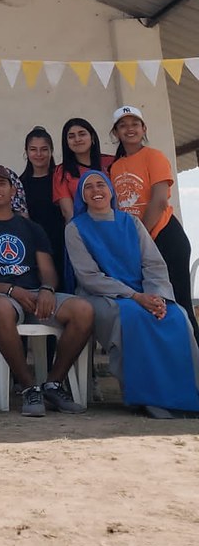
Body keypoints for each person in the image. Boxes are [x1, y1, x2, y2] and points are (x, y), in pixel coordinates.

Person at [0, 163, 94, 417]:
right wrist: (11, 290)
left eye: (2, 183)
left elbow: (48, 271)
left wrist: (46, 288)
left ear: (13, 189)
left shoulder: (31, 227)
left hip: (35, 295)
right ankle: (28, 386)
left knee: (84, 310)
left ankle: (53, 383)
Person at [65, 170, 199, 415]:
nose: (96, 191)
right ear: (82, 196)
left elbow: (153, 264)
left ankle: (186, 393)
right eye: (89, 187)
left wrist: (157, 296)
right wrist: (135, 297)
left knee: (176, 316)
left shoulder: (132, 223)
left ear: (110, 190)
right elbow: (89, 276)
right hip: (102, 297)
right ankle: (147, 397)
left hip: (145, 293)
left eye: (101, 185)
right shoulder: (75, 228)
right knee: (132, 317)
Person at [109, 105, 198, 343]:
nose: (130, 129)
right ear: (115, 132)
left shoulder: (154, 156)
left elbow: (159, 200)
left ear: (144, 128)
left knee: (179, 304)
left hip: (164, 235)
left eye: (135, 124)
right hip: (139, 243)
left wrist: (140, 236)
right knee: (155, 307)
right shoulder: (116, 167)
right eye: (123, 125)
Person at [20, 126, 65, 282]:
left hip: (63, 242)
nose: (38, 154)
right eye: (33, 149)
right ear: (26, 152)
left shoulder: (61, 178)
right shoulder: (20, 183)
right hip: (35, 246)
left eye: (44, 149)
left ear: (51, 151)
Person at [52, 118, 115, 222]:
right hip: (84, 230)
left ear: (92, 137)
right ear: (66, 142)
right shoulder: (62, 171)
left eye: (82, 134)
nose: (77, 139)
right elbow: (68, 212)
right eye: (71, 136)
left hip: (117, 226)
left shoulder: (111, 162)